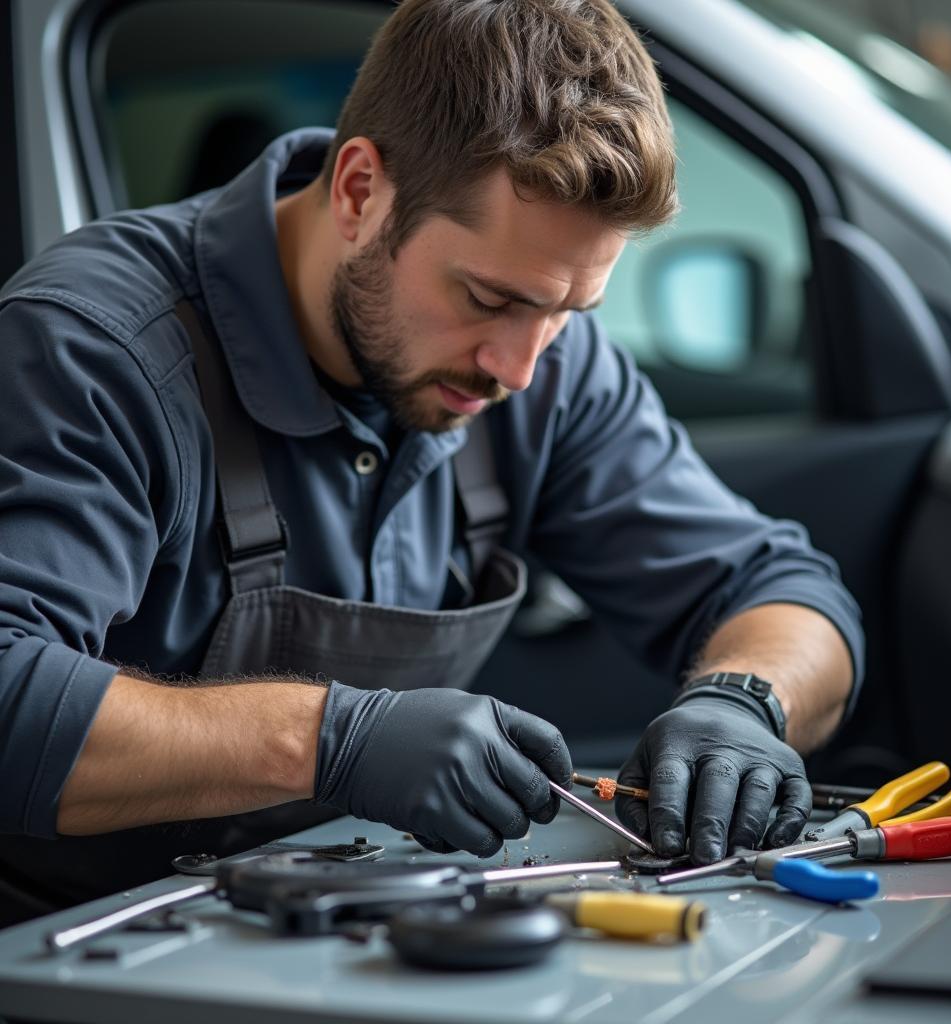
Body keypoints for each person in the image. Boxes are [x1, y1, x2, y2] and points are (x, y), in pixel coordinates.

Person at [0, 0, 861, 924]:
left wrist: (743, 704)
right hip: (69, 947)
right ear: (361, 191)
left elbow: (785, 589)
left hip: (345, 931)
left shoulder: (541, 366)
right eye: (488, 297)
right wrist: (327, 741)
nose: (520, 369)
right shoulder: (96, 350)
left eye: (569, 311)